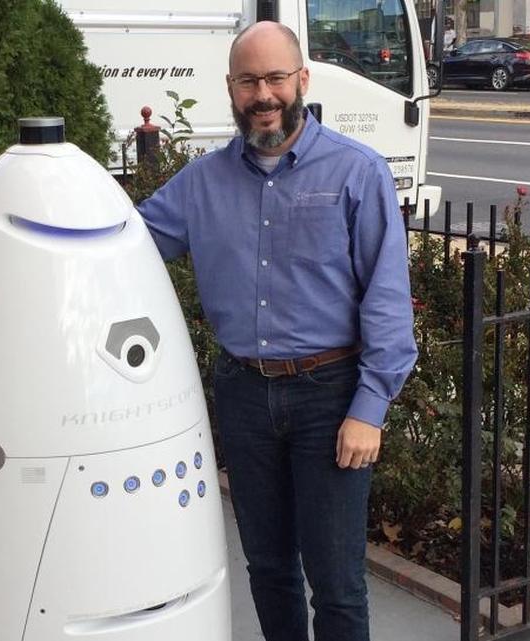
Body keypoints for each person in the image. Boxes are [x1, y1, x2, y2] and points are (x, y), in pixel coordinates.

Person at [136, 20, 417, 641]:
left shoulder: (357, 172)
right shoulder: (201, 184)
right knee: (268, 569)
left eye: (275, 78)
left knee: (336, 584)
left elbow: (387, 298)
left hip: (331, 398)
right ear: (230, 89)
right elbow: (126, 241)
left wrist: (370, 408)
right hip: (243, 394)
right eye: (248, 81)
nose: (263, 95)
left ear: (302, 80)